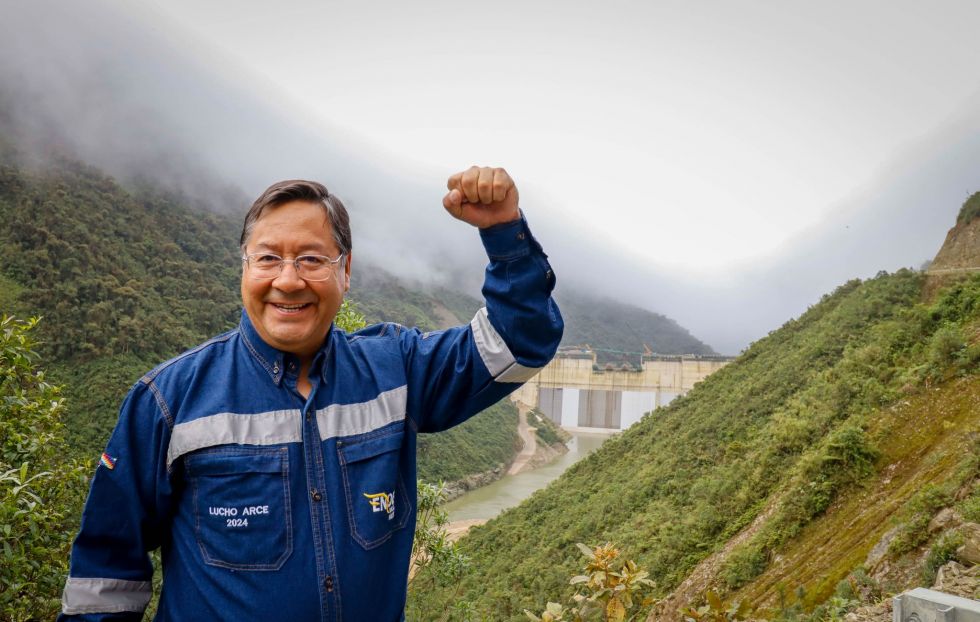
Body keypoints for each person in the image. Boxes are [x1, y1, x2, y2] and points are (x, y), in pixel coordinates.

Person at [59, 166, 563, 621]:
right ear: (244, 268)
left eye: (311, 259)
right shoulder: (168, 400)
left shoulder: (398, 370)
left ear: (345, 270)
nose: (288, 279)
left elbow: (521, 341)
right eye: (268, 259)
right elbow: (105, 576)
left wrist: (503, 231)